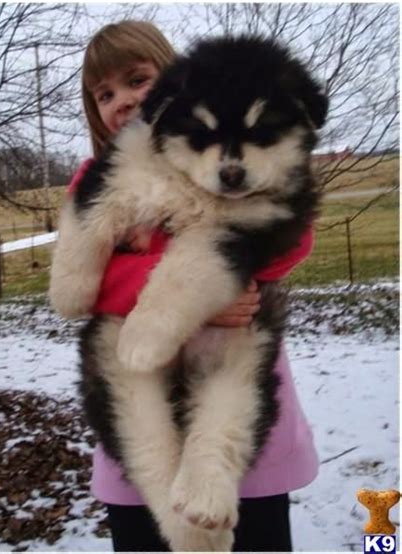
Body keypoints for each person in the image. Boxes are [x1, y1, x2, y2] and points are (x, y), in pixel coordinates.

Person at [66, 20, 319, 552]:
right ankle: (177, 516)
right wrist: (170, 298)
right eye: (104, 93)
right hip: (137, 382)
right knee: (135, 408)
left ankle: (210, 474)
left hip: (244, 421)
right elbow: (78, 289)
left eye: (137, 80)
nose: (122, 101)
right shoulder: (100, 172)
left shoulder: (232, 157)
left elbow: (285, 245)